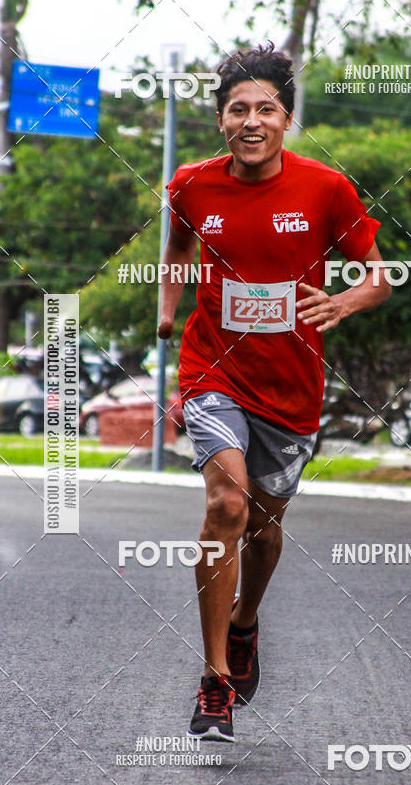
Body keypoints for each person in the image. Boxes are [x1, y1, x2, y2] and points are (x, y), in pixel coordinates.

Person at [157, 41, 391, 742]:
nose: (251, 121)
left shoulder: (324, 189)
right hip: (212, 370)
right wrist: (167, 313)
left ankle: (246, 621)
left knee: (261, 527)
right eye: (237, 109)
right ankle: (215, 679)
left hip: (290, 387)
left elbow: (377, 275)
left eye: (265, 109)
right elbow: (175, 251)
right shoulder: (191, 186)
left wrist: (344, 304)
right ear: (221, 121)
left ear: (285, 119)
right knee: (225, 503)